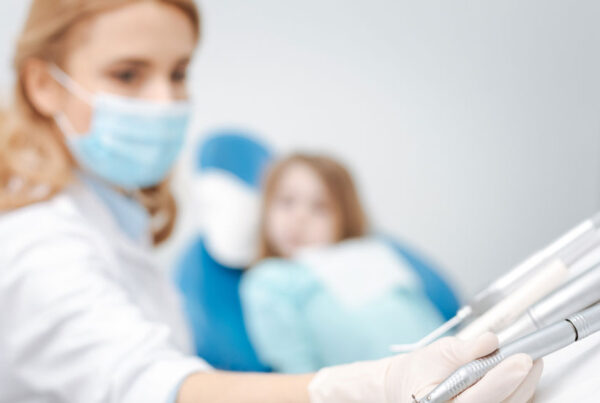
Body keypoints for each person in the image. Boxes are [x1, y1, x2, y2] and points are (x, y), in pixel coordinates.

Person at [0, 1, 542, 402]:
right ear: (44, 86)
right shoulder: (38, 248)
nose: (166, 101)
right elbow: (154, 386)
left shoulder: (114, 223)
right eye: (127, 74)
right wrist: (377, 385)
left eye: (179, 73)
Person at [240, 153, 445, 372]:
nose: (300, 217)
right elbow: (295, 371)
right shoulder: (269, 279)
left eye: (320, 207)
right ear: (266, 208)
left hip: (448, 363)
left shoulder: (371, 254)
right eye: (287, 201)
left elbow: (427, 320)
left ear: (344, 218)